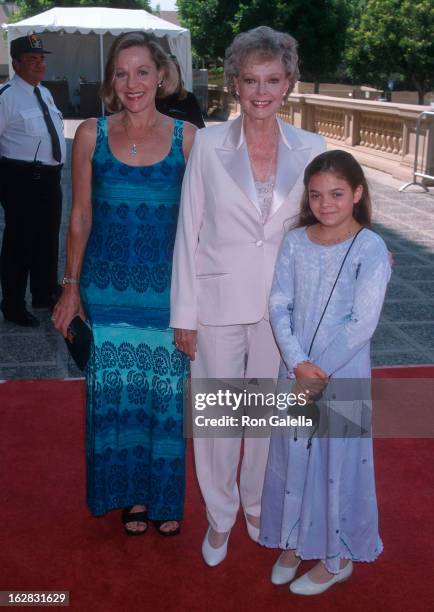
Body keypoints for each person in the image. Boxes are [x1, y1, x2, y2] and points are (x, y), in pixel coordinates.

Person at [170, 26, 325, 565]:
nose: (261, 92)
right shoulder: (209, 143)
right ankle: (219, 518)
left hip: (281, 310)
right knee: (217, 420)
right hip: (214, 305)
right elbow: (188, 231)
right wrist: (183, 314)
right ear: (235, 82)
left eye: (273, 80)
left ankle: (257, 505)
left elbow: (326, 223)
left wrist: (366, 253)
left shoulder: (312, 149)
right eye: (251, 80)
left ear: (289, 84)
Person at [52, 32, 196, 536]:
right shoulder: (90, 134)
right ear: (111, 81)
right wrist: (71, 287)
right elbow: (80, 217)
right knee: (114, 394)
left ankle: (163, 496)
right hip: (107, 290)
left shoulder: (188, 138)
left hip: (164, 290)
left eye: (142, 72)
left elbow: (206, 222)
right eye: (121, 73)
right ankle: (132, 497)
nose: (132, 83)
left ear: (162, 75)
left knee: (164, 394)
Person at [259, 150, 391, 595]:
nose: (326, 203)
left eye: (337, 193)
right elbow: (279, 304)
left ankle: (338, 558)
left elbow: (362, 323)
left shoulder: (370, 247)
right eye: (316, 195)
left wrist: (320, 370)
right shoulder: (295, 241)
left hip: (342, 372)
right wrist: (298, 363)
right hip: (296, 369)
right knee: (295, 454)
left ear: (357, 193)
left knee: (337, 461)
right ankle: (295, 541)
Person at [0, 34, 66, 327]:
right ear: (16, 63)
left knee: (48, 239)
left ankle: (44, 293)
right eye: (31, 59)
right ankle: (13, 303)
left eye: (41, 58)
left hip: (50, 179)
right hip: (21, 179)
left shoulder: (45, 93)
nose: (39, 64)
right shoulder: (7, 98)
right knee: (20, 244)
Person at [156, 54, 205, 129]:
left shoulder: (189, 99)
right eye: (166, 73)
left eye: (172, 73)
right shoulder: (153, 98)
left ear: (178, 74)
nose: (169, 77)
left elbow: (200, 130)